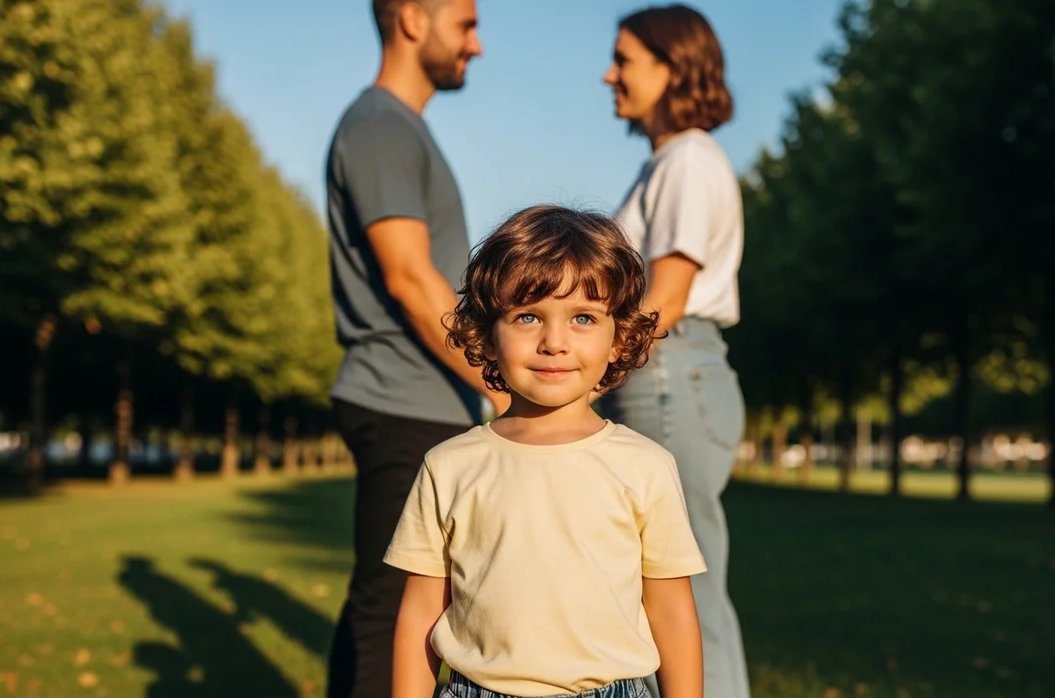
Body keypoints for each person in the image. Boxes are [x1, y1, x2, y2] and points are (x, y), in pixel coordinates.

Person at [384, 205, 708, 698]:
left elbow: (672, 612)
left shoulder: (645, 467)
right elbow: (420, 612)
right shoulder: (449, 466)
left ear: (619, 337)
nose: (554, 342)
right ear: (488, 336)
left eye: (583, 317)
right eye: (528, 317)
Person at [322, 1, 508, 697]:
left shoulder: (400, 130)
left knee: (382, 605)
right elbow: (408, 275)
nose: (478, 44)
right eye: (465, 23)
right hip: (402, 403)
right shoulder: (379, 127)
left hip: (415, 400)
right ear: (410, 18)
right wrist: (501, 380)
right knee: (397, 615)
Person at [597, 5, 752, 698]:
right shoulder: (662, 164)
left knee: (682, 600)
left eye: (624, 60)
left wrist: (580, 375)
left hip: (670, 377)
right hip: (668, 376)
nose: (610, 74)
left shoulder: (689, 158)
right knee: (677, 595)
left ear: (672, 66)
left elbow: (668, 296)